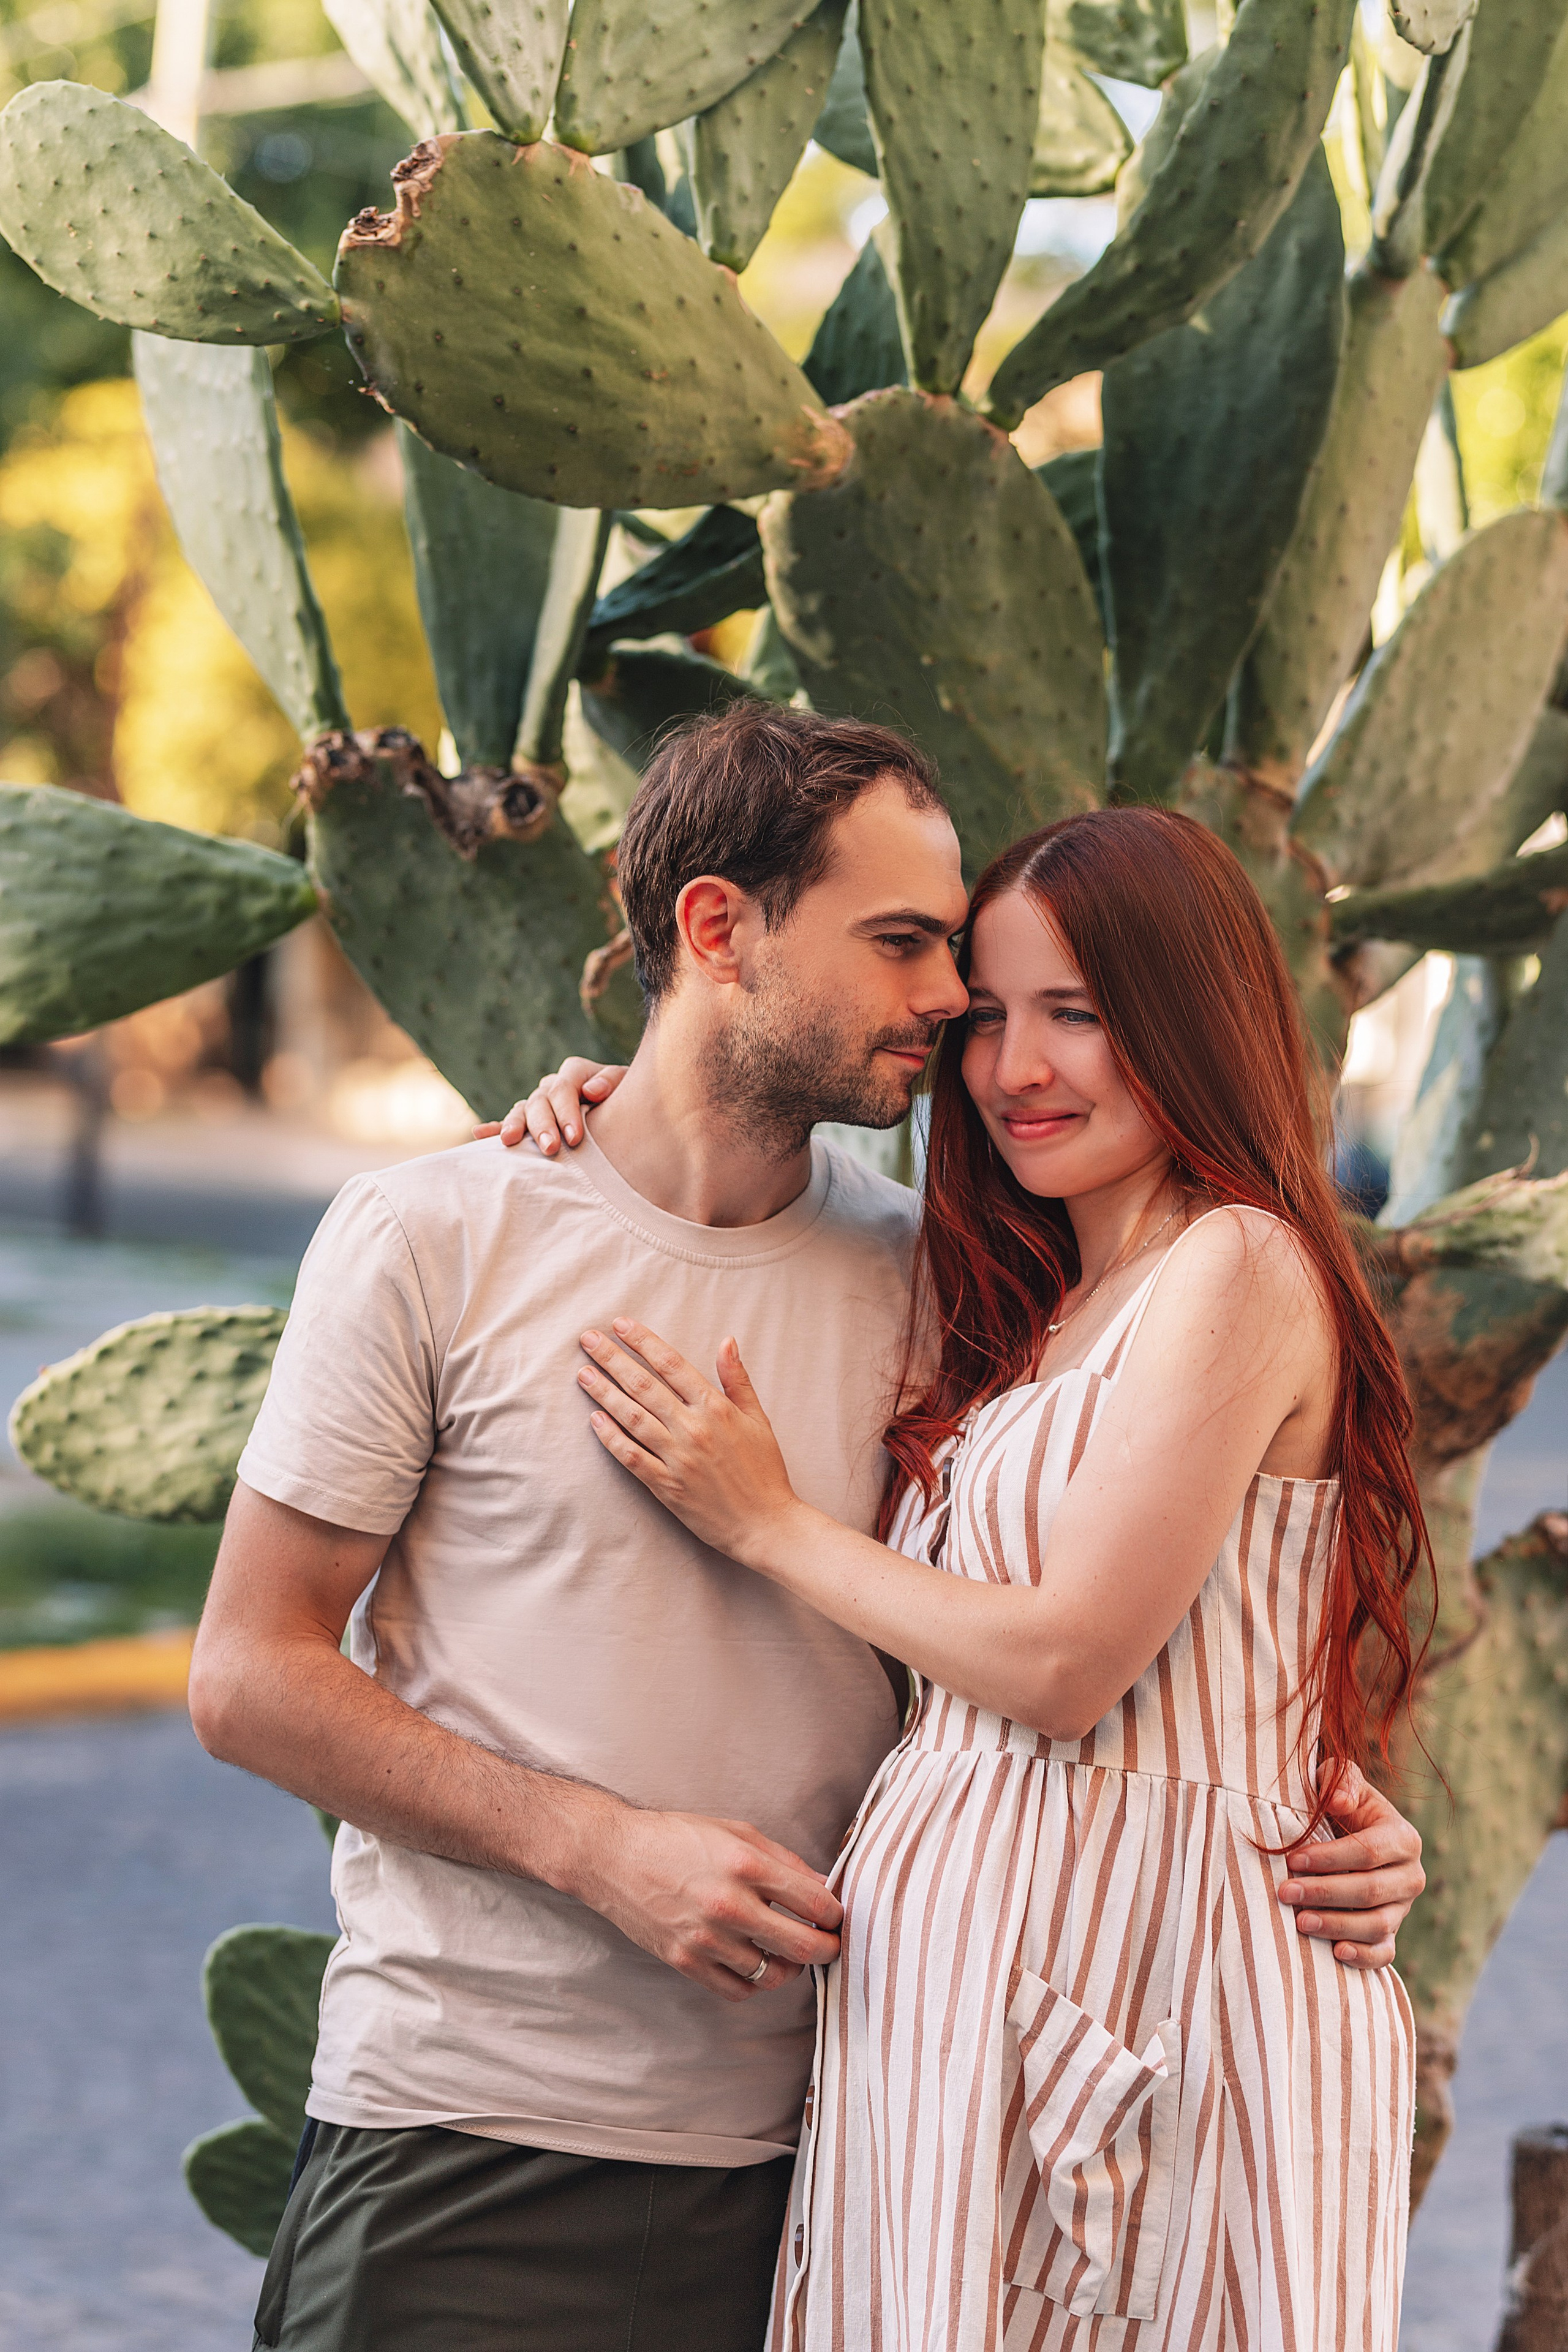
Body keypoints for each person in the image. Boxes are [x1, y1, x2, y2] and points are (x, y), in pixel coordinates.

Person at [188, 706, 1423, 2352]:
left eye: (992, 993)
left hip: (844, 2139)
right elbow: (246, 1675)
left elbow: (1131, 1593)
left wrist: (1323, 1809)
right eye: (914, 951)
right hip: (470, 2135)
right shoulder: (438, 1233)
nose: (955, 1022)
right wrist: (597, 1849)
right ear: (719, 928)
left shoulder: (957, 1286)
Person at [534, 802, 1430, 2350]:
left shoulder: (1234, 1264)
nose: (1015, 1070)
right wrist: (621, 1107)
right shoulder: (1037, 1302)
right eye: (987, 1018)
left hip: (1142, 1995)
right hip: (963, 2013)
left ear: (1185, 1015)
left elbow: (1069, 1664)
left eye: (1075, 1015)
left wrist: (765, 1525)